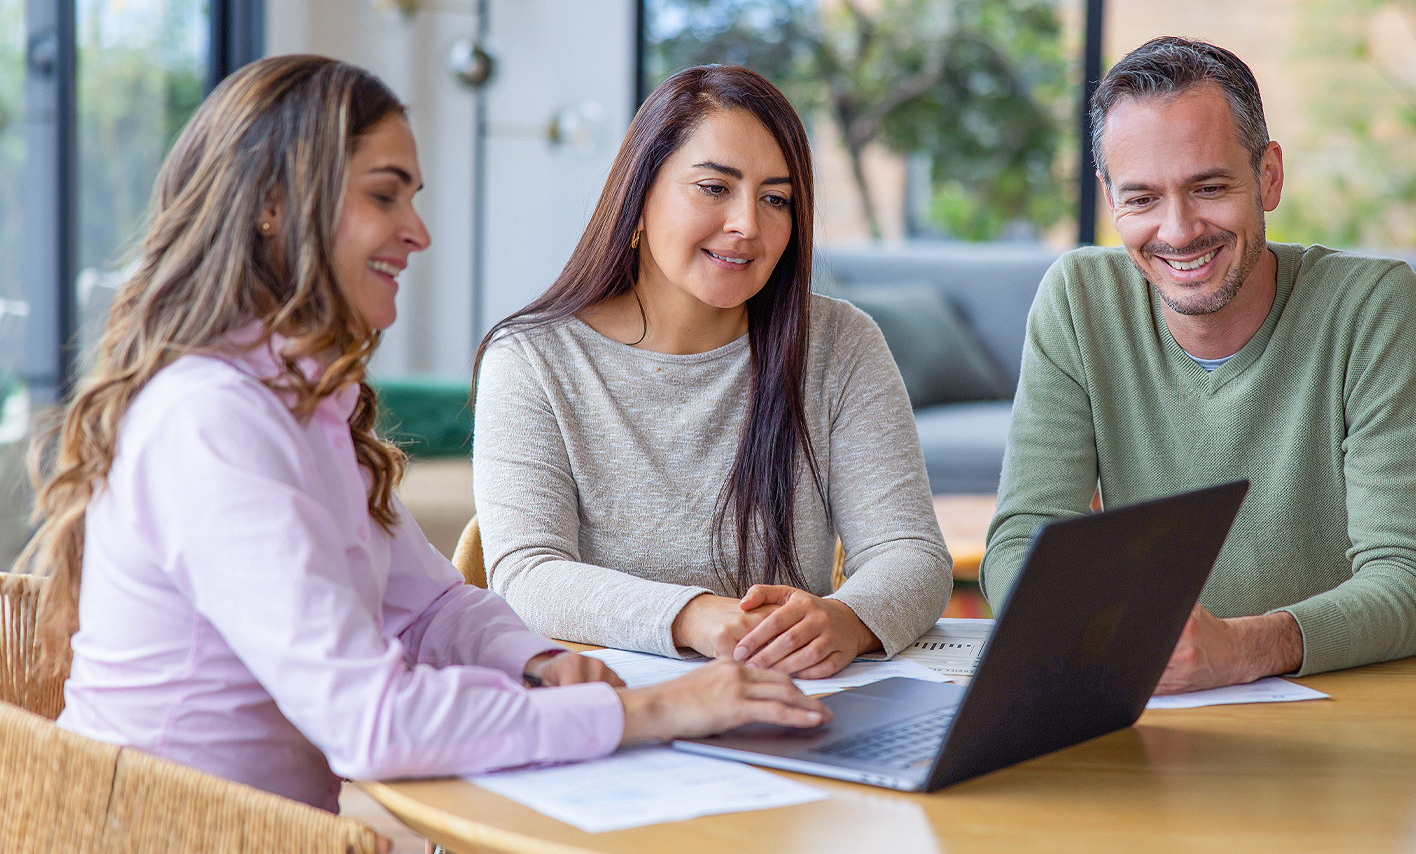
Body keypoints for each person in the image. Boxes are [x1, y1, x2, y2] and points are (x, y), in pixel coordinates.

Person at [23, 55, 829, 815]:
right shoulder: (210, 420)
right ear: (272, 207)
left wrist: (537, 661)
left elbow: (432, 605)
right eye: (384, 195)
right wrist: (654, 709)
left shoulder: (300, 403)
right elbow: (370, 722)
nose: (418, 231)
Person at [982, 36, 1416, 693]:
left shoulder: (1374, 307)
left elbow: (1411, 578)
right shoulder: (1079, 300)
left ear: (1268, 175)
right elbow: (1019, 547)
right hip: (1148, 705)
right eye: (1142, 198)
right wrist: (1103, 638)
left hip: (1335, 705)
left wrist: (1244, 648)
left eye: (1207, 187)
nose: (1178, 231)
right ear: (1107, 194)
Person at [472, 64, 952, 680]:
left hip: (786, 704)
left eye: (776, 199)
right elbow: (526, 573)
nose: (748, 225)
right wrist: (697, 617)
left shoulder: (840, 344)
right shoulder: (534, 358)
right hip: (611, 708)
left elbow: (910, 555)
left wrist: (847, 620)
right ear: (637, 198)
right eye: (713, 187)